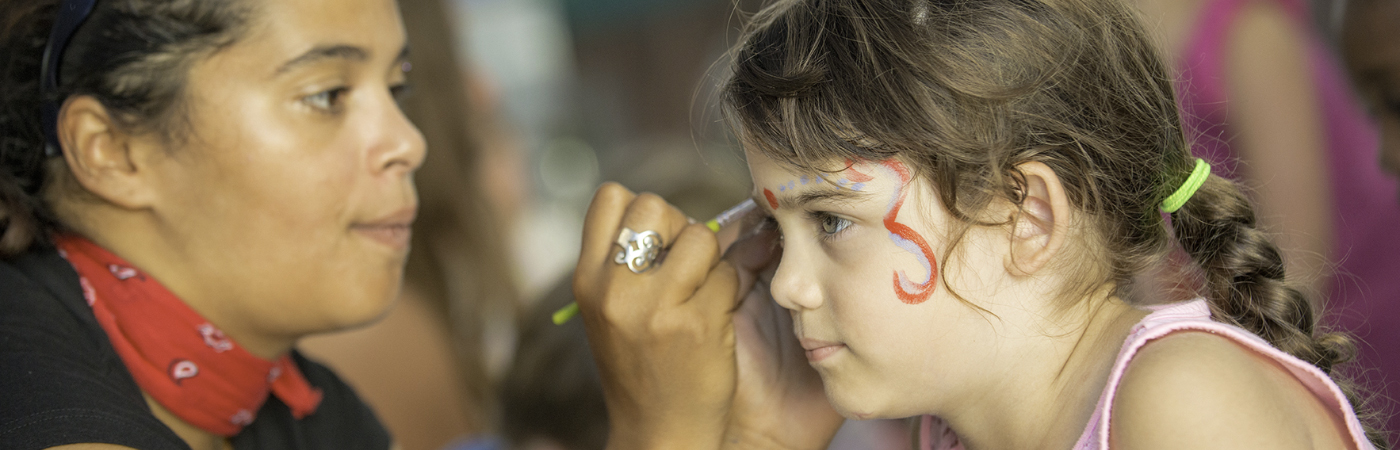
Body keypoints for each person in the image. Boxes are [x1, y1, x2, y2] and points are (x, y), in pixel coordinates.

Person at [570, 0, 1391, 448]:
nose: (784, 282)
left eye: (833, 220)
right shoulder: (954, 431)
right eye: (779, 230)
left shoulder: (1183, 404)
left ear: (1028, 215)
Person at [0, 0, 422, 448]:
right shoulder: (29, 389)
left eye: (396, 89)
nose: (410, 143)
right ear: (111, 150)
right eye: (327, 95)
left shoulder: (318, 410)